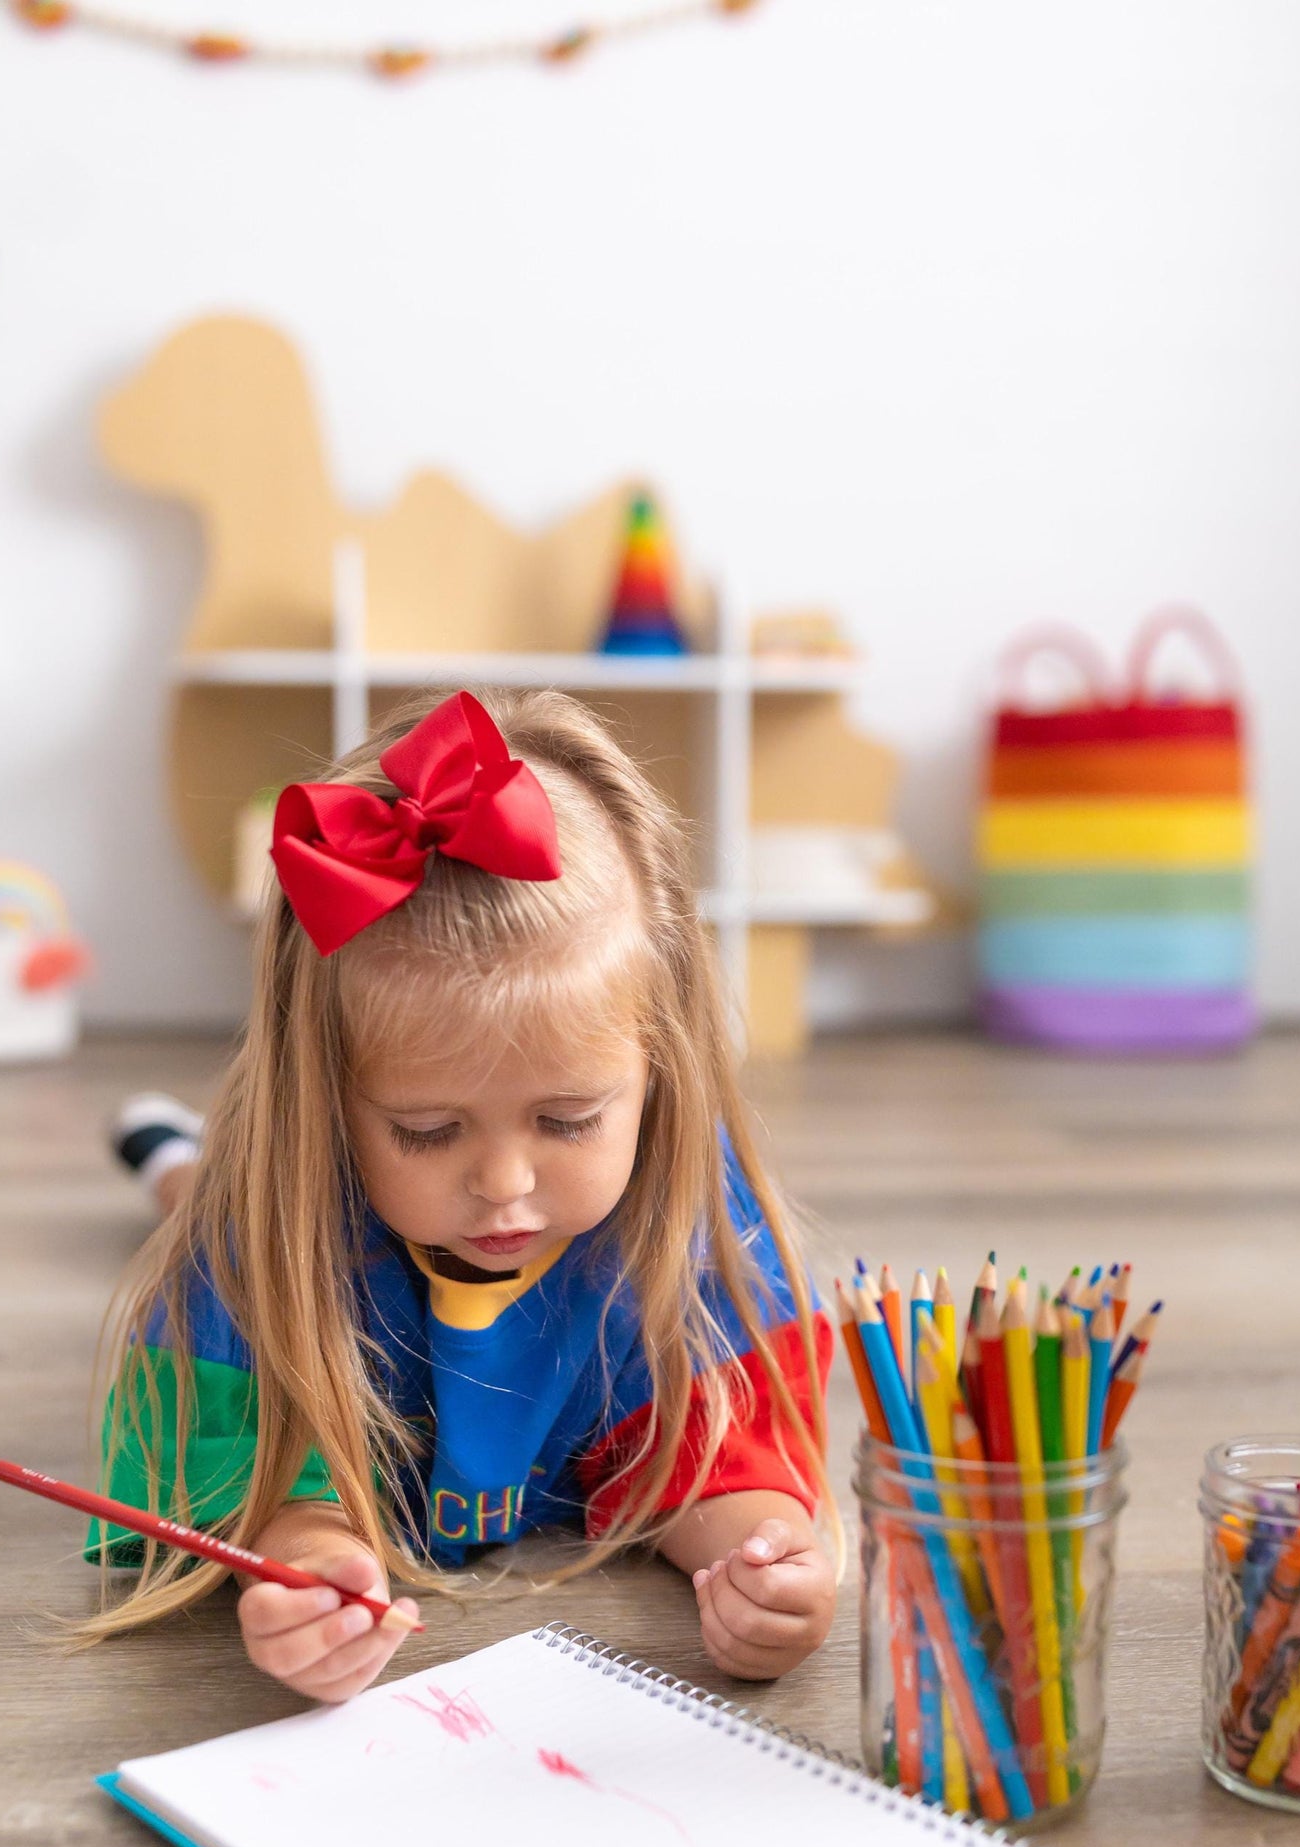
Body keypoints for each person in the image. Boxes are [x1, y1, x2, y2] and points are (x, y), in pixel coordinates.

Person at [91, 688, 837, 1700]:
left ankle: (202, 1147)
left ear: (661, 1070)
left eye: (568, 1119)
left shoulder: (685, 1204)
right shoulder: (275, 1194)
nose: (505, 1182)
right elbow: (253, 1471)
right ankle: (176, 1156)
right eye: (430, 1129)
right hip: (290, 1209)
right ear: (325, 1103)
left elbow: (695, 1458)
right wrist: (311, 1558)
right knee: (206, 1200)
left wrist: (760, 1552)